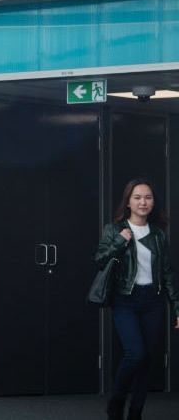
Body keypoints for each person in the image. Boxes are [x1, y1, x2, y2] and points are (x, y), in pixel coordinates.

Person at [95, 178, 179, 420]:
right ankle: (116, 402)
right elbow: (99, 260)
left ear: (153, 203)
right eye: (138, 197)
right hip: (125, 300)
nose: (143, 202)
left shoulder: (159, 235)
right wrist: (121, 240)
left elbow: (167, 273)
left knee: (147, 362)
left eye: (148, 197)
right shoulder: (114, 229)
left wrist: (176, 307)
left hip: (153, 300)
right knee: (136, 353)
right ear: (129, 202)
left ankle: (135, 413)